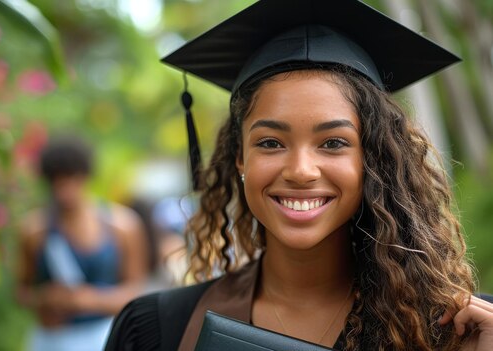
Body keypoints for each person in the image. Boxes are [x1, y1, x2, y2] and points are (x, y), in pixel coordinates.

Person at [104, 0, 493, 350]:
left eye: (334, 142)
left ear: (372, 158)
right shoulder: (160, 330)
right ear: (240, 158)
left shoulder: (455, 332)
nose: (301, 171)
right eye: (271, 143)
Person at [16, 135, 149, 351]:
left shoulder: (123, 226)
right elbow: (21, 291)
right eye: (56, 182)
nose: (64, 190)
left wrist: (88, 300)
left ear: (85, 176)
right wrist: (45, 299)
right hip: (51, 340)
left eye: (70, 179)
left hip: (105, 336)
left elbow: (137, 291)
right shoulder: (34, 230)